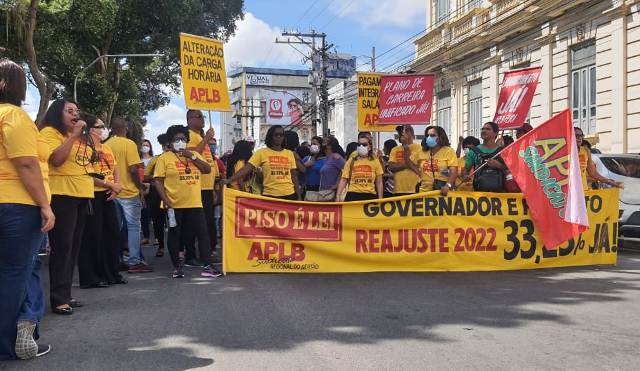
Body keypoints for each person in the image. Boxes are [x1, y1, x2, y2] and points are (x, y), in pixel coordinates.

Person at [0, 59, 53, 360]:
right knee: (13, 274)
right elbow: (26, 162)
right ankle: (7, 346)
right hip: (16, 205)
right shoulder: (14, 115)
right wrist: (45, 205)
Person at [40, 99, 94, 315]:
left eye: (76, 111)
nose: (75, 114)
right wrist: (73, 136)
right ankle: (58, 298)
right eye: (69, 111)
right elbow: (56, 160)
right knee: (62, 248)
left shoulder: (80, 138)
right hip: (62, 195)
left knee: (73, 248)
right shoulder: (50, 133)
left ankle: (66, 293)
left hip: (81, 194)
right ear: (56, 113)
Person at [153, 125, 221, 278]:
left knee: (203, 234)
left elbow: (207, 169)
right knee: (175, 234)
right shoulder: (164, 158)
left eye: (183, 139)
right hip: (174, 204)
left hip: (195, 203)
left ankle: (208, 266)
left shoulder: (193, 155)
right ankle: (177, 267)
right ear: (170, 142)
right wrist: (166, 200)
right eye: (177, 139)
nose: (180, 141)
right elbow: (158, 181)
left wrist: (192, 156)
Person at [78, 114, 126, 289]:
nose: (103, 129)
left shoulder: (106, 148)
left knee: (112, 235)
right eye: (100, 126)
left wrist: (116, 185)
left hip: (108, 194)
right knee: (92, 237)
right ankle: (92, 277)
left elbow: (115, 168)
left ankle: (112, 273)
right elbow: (88, 175)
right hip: (92, 195)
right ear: (90, 129)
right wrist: (110, 184)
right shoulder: (84, 148)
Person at [105, 118, 151, 273]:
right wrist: (140, 186)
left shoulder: (106, 145)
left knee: (116, 228)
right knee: (133, 228)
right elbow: (133, 170)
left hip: (112, 191)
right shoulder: (129, 144)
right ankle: (134, 261)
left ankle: (116, 259)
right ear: (126, 128)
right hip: (129, 193)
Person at [226, 125, 301, 200]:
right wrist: (229, 180)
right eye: (276, 135)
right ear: (270, 136)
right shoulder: (261, 153)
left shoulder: (289, 154)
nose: (279, 137)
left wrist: (299, 196)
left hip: (289, 195)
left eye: (281, 135)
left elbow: (294, 176)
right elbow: (246, 168)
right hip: (270, 196)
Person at [184, 110, 219, 267]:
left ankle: (206, 253)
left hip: (206, 187)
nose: (203, 119)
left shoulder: (198, 136)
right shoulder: (189, 135)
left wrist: (212, 189)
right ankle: (191, 255)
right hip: (196, 186)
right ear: (190, 119)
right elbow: (192, 156)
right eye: (199, 117)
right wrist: (206, 138)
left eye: (203, 117)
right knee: (194, 223)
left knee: (207, 222)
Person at [406, 126, 458, 196]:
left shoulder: (449, 151)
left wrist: (448, 185)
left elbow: (453, 171)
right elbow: (409, 162)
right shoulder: (421, 152)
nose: (429, 137)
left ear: (440, 137)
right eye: (427, 135)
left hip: (442, 191)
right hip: (423, 191)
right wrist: (419, 172)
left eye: (432, 135)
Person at [144, 134, 171, 258]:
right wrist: (155, 178)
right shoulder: (155, 159)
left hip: (173, 193)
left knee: (174, 222)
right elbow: (145, 176)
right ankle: (161, 246)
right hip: (156, 194)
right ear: (162, 146)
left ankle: (178, 248)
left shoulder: (178, 159)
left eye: (169, 145)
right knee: (158, 221)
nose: (167, 147)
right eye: (165, 145)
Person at [336, 135, 383, 201]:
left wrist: (380, 199)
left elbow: (379, 182)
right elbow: (344, 180)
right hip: (352, 195)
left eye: (364, 144)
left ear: (369, 147)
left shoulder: (375, 161)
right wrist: (338, 196)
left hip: (370, 195)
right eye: (359, 144)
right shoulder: (351, 161)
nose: (361, 146)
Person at [463, 122, 507, 193]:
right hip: (479, 194)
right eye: (482, 129)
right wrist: (465, 176)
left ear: (495, 133)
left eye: (488, 129)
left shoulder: (503, 151)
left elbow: (510, 170)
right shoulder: (474, 151)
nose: (484, 131)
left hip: (500, 195)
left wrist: (498, 165)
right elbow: (465, 170)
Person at [388, 125, 421, 196]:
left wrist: (406, 146)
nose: (401, 134)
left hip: (414, 188)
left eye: (405, 131)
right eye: (400, 132)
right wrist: (409, 165)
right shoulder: (394, 149)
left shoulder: (419, 148)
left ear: (412, 134)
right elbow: (391, 167)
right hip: (398, 189)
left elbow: (414, 164)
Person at [316, 136, 346, 201]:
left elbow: (345, 170)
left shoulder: (336, 157)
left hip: (332, 192)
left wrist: (336, 184)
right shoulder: (327, 158)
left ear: (329, 146)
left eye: (325, 142)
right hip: (323, 192)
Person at [140, 139, 155, 246]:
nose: (145, 147)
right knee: (144, 214)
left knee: (155, 213)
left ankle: (158, 238)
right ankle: (146, 237)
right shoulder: (137, 159)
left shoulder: (154, 159)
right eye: (143, 145)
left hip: (154, 187)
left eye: (147, 145)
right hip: (141, 187)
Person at [303, 136, 327, 201]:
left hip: (320, 189)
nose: (312, 146)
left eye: (315, 144)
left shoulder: (326, 160)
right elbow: (299, 171)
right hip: (307, 188)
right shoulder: (307, 158)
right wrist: (305, 165)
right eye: (311, 144)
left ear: (321, 146)